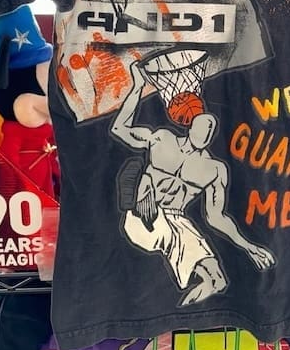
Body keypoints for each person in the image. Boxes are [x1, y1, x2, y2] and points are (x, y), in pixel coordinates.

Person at [111, 59, 275, 306]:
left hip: (176, 221)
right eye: (203, 125)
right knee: (145, 190)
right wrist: (137, 87)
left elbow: (216, 217)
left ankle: (183, 315)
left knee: (217, 281)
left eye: (211, 128)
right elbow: (119, 128)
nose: (206, 131)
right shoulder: (162, 139)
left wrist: (247, 245)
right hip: (143, 217)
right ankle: (142, 201)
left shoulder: (214, 170)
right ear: (190, 125)